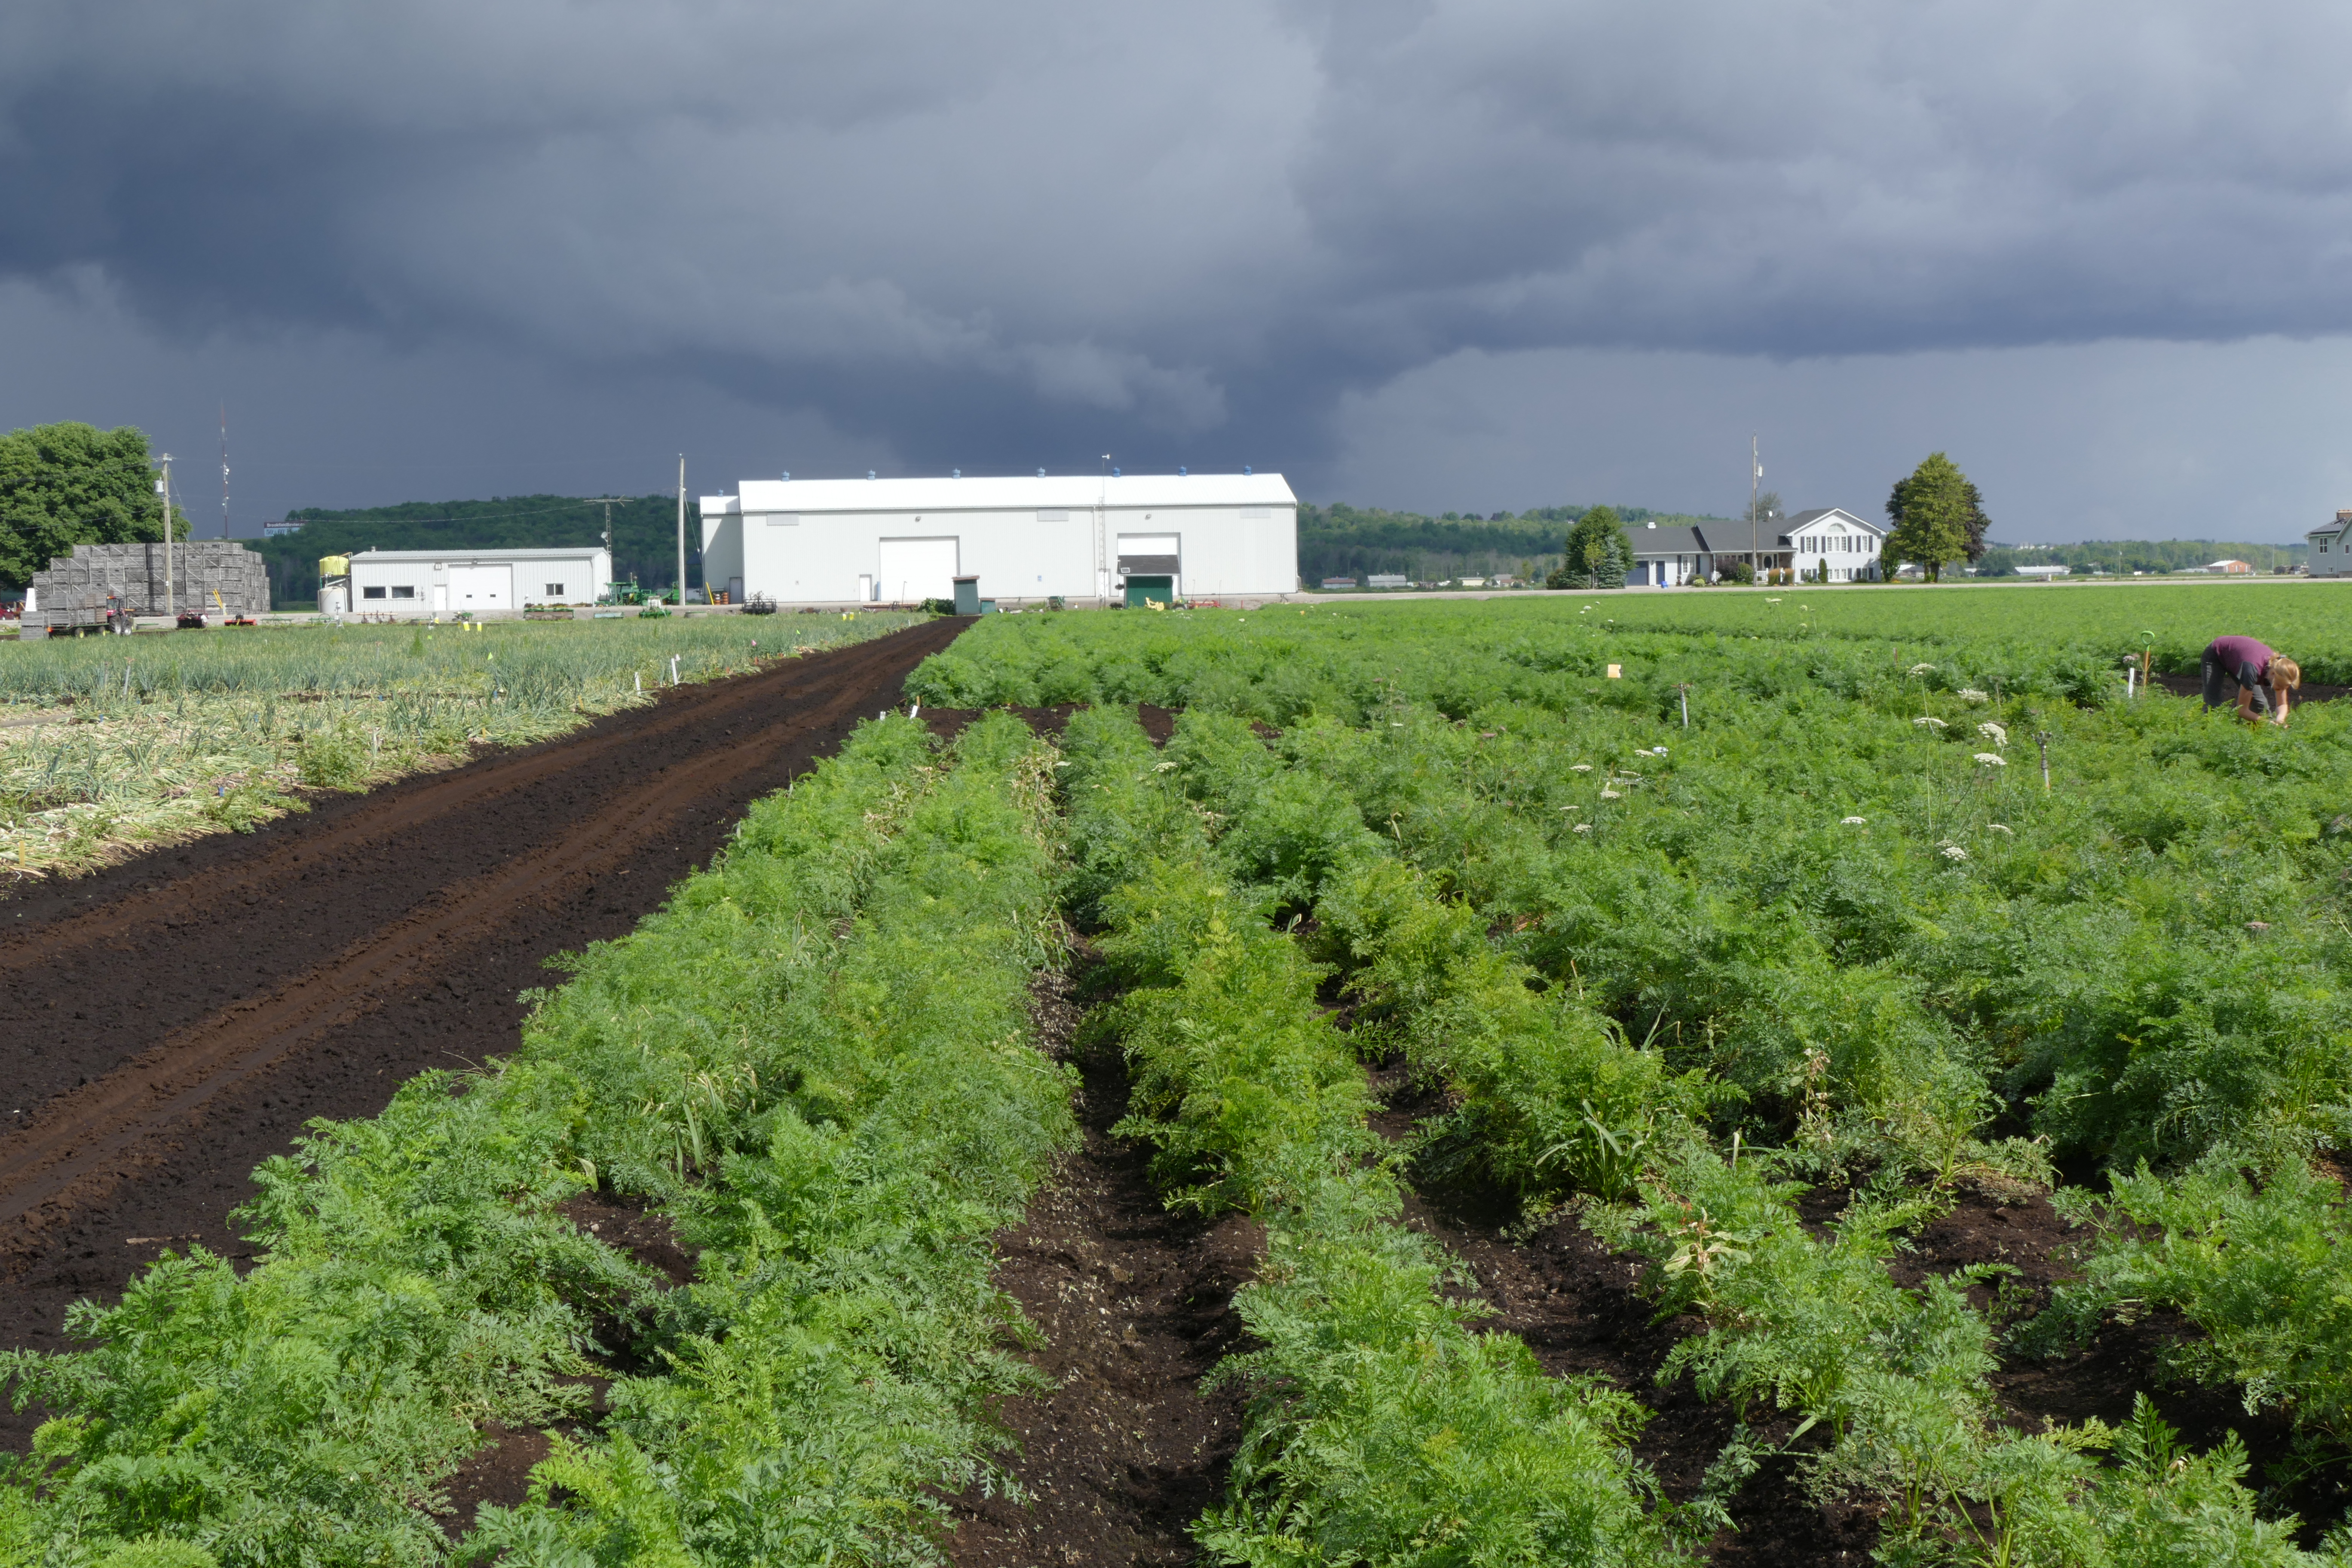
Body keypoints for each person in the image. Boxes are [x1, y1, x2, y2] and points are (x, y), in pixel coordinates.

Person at [2202, 634, 2299, 725]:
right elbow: (2241, 710)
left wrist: (2280, 721)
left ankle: (2262, 736)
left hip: (2241, 659)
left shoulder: (2282, 670)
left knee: (2259, 706)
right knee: (2213, 706)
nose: (2281, 689)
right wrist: (2268, 724)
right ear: (2273, 674)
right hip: (2217, 653)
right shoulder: (2252, 671)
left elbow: (2282, 704)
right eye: (2279, 687)